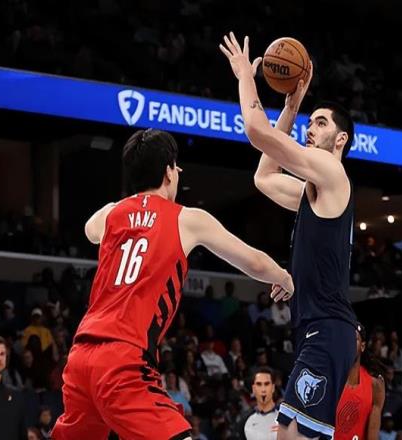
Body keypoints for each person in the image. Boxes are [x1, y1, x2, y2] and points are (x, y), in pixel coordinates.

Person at [52, 128, 294, 440]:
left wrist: (133, 204)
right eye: (176, 167)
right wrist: (283, 277)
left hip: (81, 357)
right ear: (168, 171)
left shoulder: (112, 214)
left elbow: (89, 229)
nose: (178, 173)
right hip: (123, 359)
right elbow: (255, 263)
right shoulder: (186, 219)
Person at [220, 33, 357, 439]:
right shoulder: (313, 192)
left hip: (327, 330)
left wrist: (246, 77)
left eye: (320, 123)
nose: (310, 129)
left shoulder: (332, 172)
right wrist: (291, 108)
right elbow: (264, 177)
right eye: (310, 122)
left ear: (341, 139)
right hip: (317, 328)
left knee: (287, 436)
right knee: (289, 435)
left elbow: (256, 131)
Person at [335, 324, 385, 440]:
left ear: (362, 346)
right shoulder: (329, 379)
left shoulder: (375, 386)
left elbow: (372, 436)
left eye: (354, 340)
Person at [240, 366, 279, 440]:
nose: (263, 389)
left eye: (267, 384)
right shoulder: (245, 421)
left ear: (273, 387)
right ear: (253, 389)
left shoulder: (285, 417)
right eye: (259, 384)